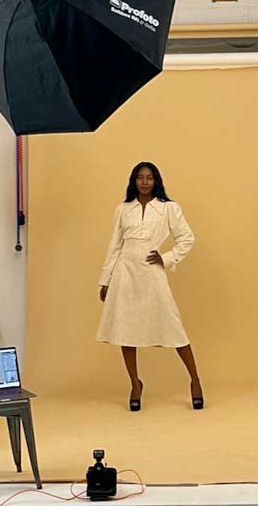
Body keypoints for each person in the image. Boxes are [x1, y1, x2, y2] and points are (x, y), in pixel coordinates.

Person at [97, 162, 203, 411]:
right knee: (125, 330)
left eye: (149, 178)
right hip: (124, 274)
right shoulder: (123, 209)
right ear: (133, 181)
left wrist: (167, 258)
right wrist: (105, 280)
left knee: (173, 327)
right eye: (140, 177)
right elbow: (114, 246)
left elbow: (187, 238)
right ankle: (135, 384)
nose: (144, 182)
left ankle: (195, 380)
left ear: (156, 181)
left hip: (151, 272)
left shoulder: (168, 208)